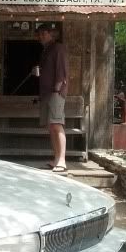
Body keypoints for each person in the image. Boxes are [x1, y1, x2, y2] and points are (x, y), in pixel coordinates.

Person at [35, 23, 69, 173]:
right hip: (46, 93)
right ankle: (56, 159)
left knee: (57, 124)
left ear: (51, 34)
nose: (41, 36)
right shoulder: (46, 50)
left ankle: (62, 160)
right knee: (51, 127)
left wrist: (57, 88)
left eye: (44, 33)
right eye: (39, 34)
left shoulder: (58, 48)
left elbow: (62, 70)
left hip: (55, 93)